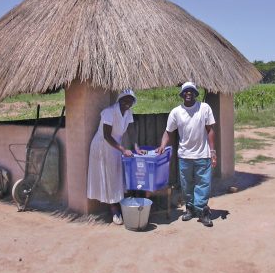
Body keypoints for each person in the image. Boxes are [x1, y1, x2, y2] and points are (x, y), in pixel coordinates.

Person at [156, 82, 217, 227]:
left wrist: (213, 151)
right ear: (182, 94)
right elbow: (168, 131)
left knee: (204, 184)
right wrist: (162, 145)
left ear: (196, 94)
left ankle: (202, 211)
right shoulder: (176, 112)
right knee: (186, 185)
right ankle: (190, 209)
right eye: (186, 91)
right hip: (184, 156)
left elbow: (210, 130)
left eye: (191, 91)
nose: (188, 93)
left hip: (203, 154)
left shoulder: (204, 108)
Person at [87, 89, 144, 225]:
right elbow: (107, 135)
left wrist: (136, 146)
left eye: (130, 100)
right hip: (102, 145)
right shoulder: (109, 112)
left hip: (115, 147)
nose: (127, 103)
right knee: (109, 177)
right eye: (125, 100)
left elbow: (131, 130)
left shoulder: (128, 112)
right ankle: (115, 211)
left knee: (116, 176)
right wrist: (123, 149)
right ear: (119, 100)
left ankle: (118, 205)